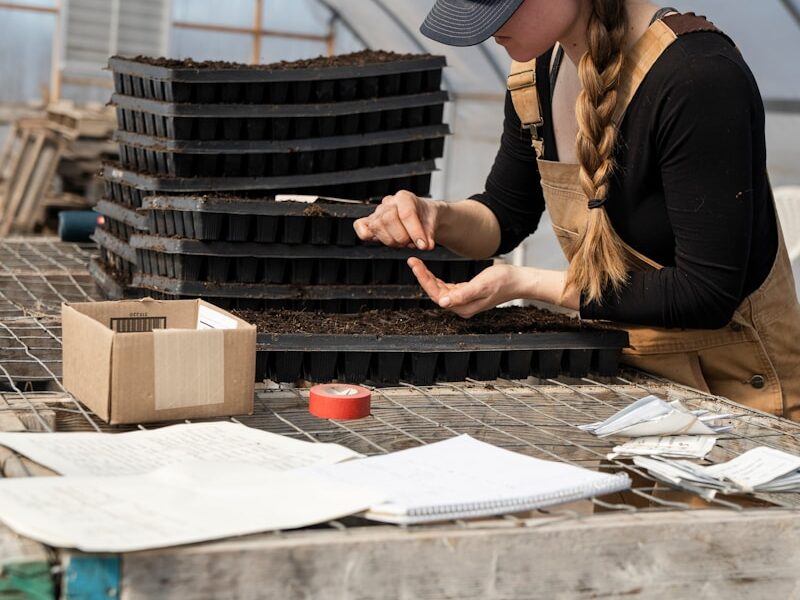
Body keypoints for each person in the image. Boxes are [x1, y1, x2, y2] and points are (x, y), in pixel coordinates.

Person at [353, 0, 800, 420]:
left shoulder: (697, 78)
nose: (485, 27)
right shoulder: (537, 71)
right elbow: (505, 215)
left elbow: (704, 294)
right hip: (635, 396)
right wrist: (437, 215)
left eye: (498, 5)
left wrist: (525, 282)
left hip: (741, 404)